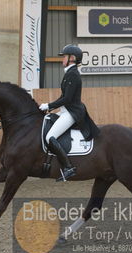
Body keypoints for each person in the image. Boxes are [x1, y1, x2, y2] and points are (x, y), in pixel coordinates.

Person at [39, 44, 100, 182]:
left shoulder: (73, 74)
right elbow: (63, 96)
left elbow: (67, 99)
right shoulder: (69, 73)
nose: (62, 59)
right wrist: (49, 107)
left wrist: (49, 105)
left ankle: (68, 168)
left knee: (50, 137)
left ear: (72, 58)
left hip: (72, 113)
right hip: (65, 110)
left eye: (64, 57)